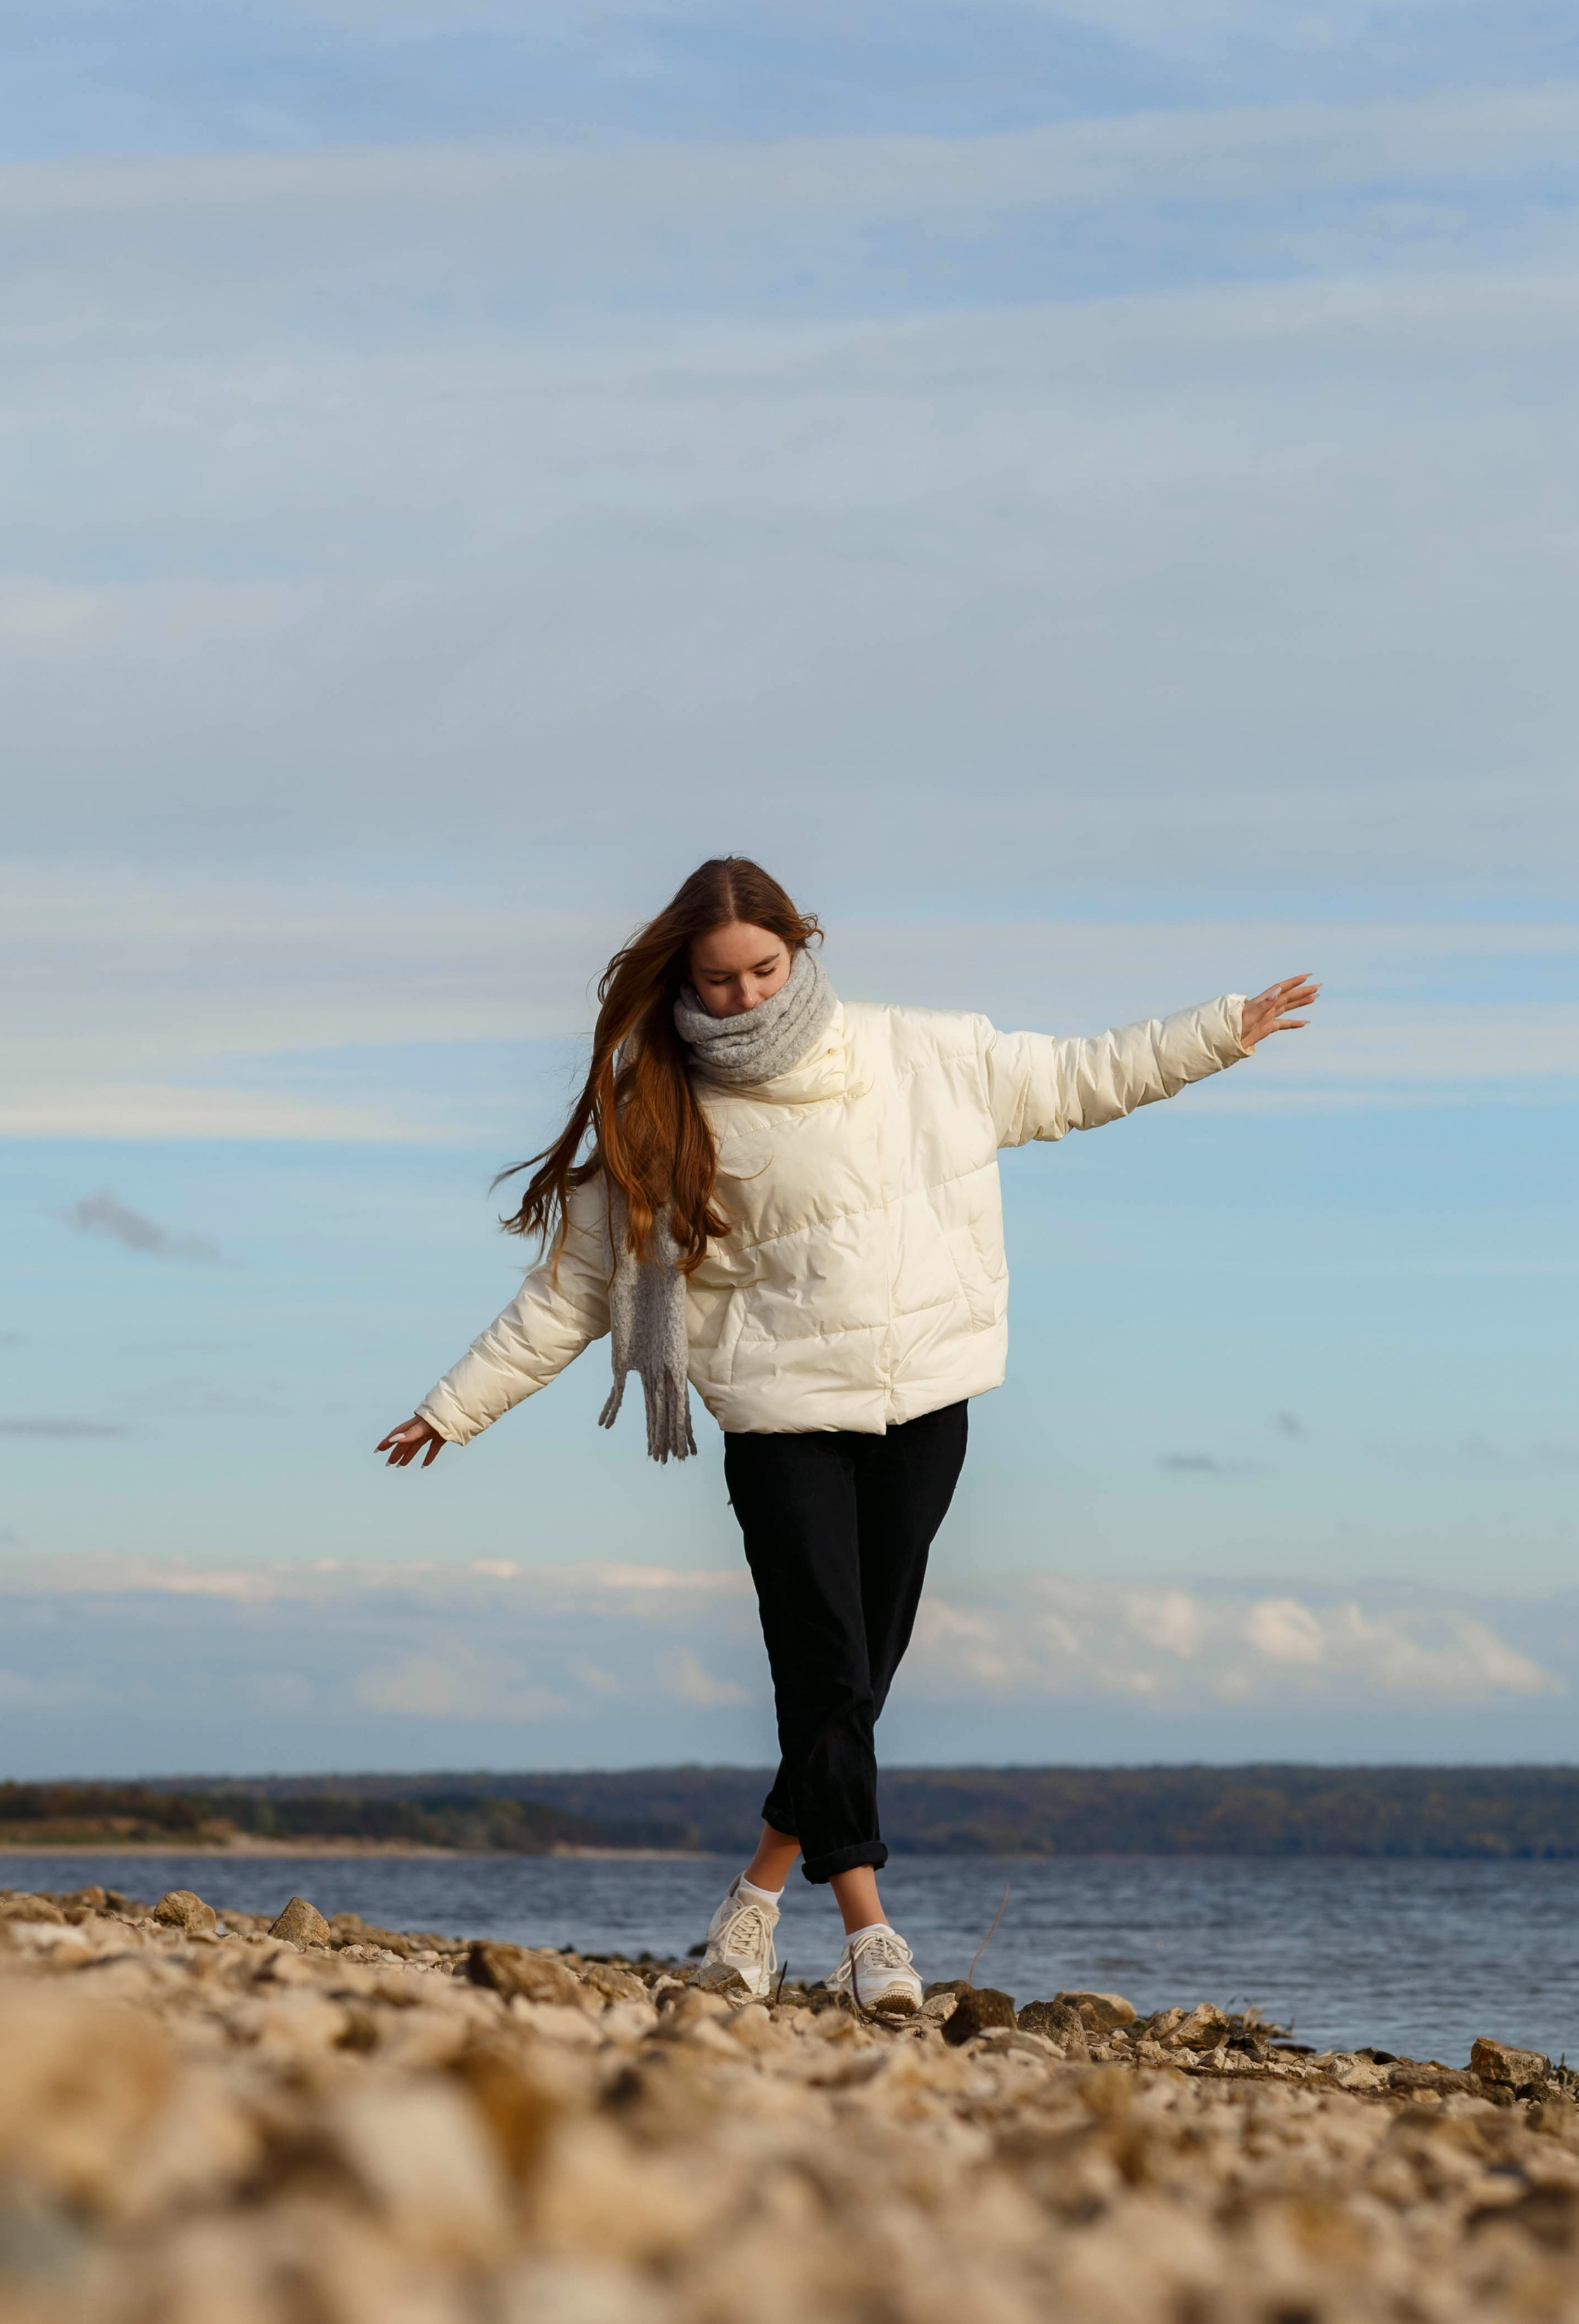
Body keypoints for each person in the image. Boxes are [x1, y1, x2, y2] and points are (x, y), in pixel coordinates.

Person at [378, 857, 1315, 2015]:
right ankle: (873, 1933)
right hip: (780, 1419)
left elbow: (1082, 1078)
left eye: (763, 971)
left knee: (856, 1677)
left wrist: (1221, 1030)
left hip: (926, 1401)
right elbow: (575, 1291)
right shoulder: (659, 1108)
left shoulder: (924, 1054)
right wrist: (455, 1405)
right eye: (717, 981)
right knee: (822, 1661)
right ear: (682, 974)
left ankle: (757, 1896)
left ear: (801, 949)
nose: (743, 999)